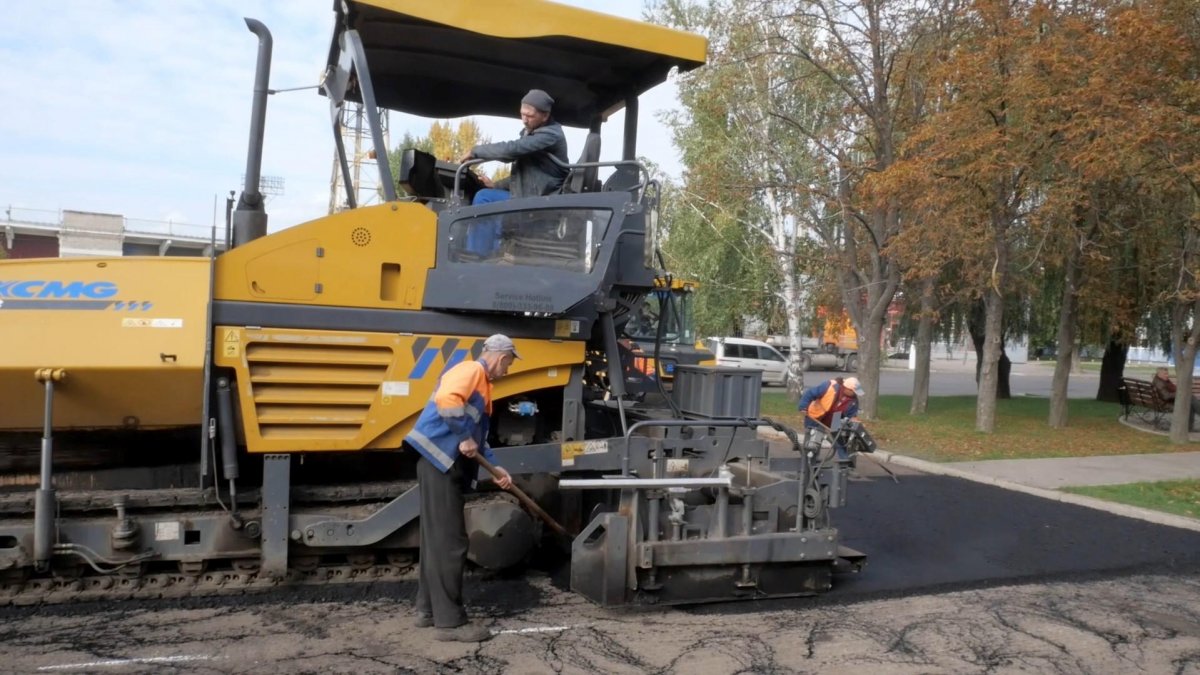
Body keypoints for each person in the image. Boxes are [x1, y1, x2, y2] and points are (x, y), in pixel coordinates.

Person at [402, 334, 517, 642]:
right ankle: (450, 623)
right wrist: (462, 437)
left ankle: (427, 610)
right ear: (501, 357)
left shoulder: (483, 385)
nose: (507, 370)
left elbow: (478, 439)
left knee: (436, 540)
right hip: (440, 461)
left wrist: (496, 468)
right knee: (451, 542)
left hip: (439, 463)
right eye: (509, 364)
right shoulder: (472, 371)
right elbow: (447, 400)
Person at [458, 90, 569, 257]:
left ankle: (477, 256)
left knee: (484, 198)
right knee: (489, 193)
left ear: (545, 116)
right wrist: (497, 185)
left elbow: (512, 150)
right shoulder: (534, 133)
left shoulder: (551, 135)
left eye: (529, 116)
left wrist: (476, 152)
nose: (524, 119)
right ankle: (491, 253)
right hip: (534, 194)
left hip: (540, 201)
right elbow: (526, 173)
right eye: (522, 114)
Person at [798, 376, 864, 459]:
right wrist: (803, 407)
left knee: (840, 440)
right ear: (847, 389)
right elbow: (810, 393)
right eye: (854, 391)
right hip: (816, 414)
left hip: (835, 418)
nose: (855, 394)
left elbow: (851, 415)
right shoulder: (829, 386)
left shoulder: (853, 401)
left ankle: (845, 463)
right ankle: (809, 463)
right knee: (813, 441)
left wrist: (852, 420)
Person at [1151, 366, 1199, 432]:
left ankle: (1188, 427)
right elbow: (1166, 396)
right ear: (1159, 374)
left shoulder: (1163, 380)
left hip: (1170, 401)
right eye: (1165, 374)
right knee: (1190, 402)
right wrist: (1179, 394)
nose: (1167, 375)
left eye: (1167, 373)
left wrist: (1181, 392)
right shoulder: (1160, 383)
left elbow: (1173, 389)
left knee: (1191, 400)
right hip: (1166, 404)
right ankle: (1188, 427)